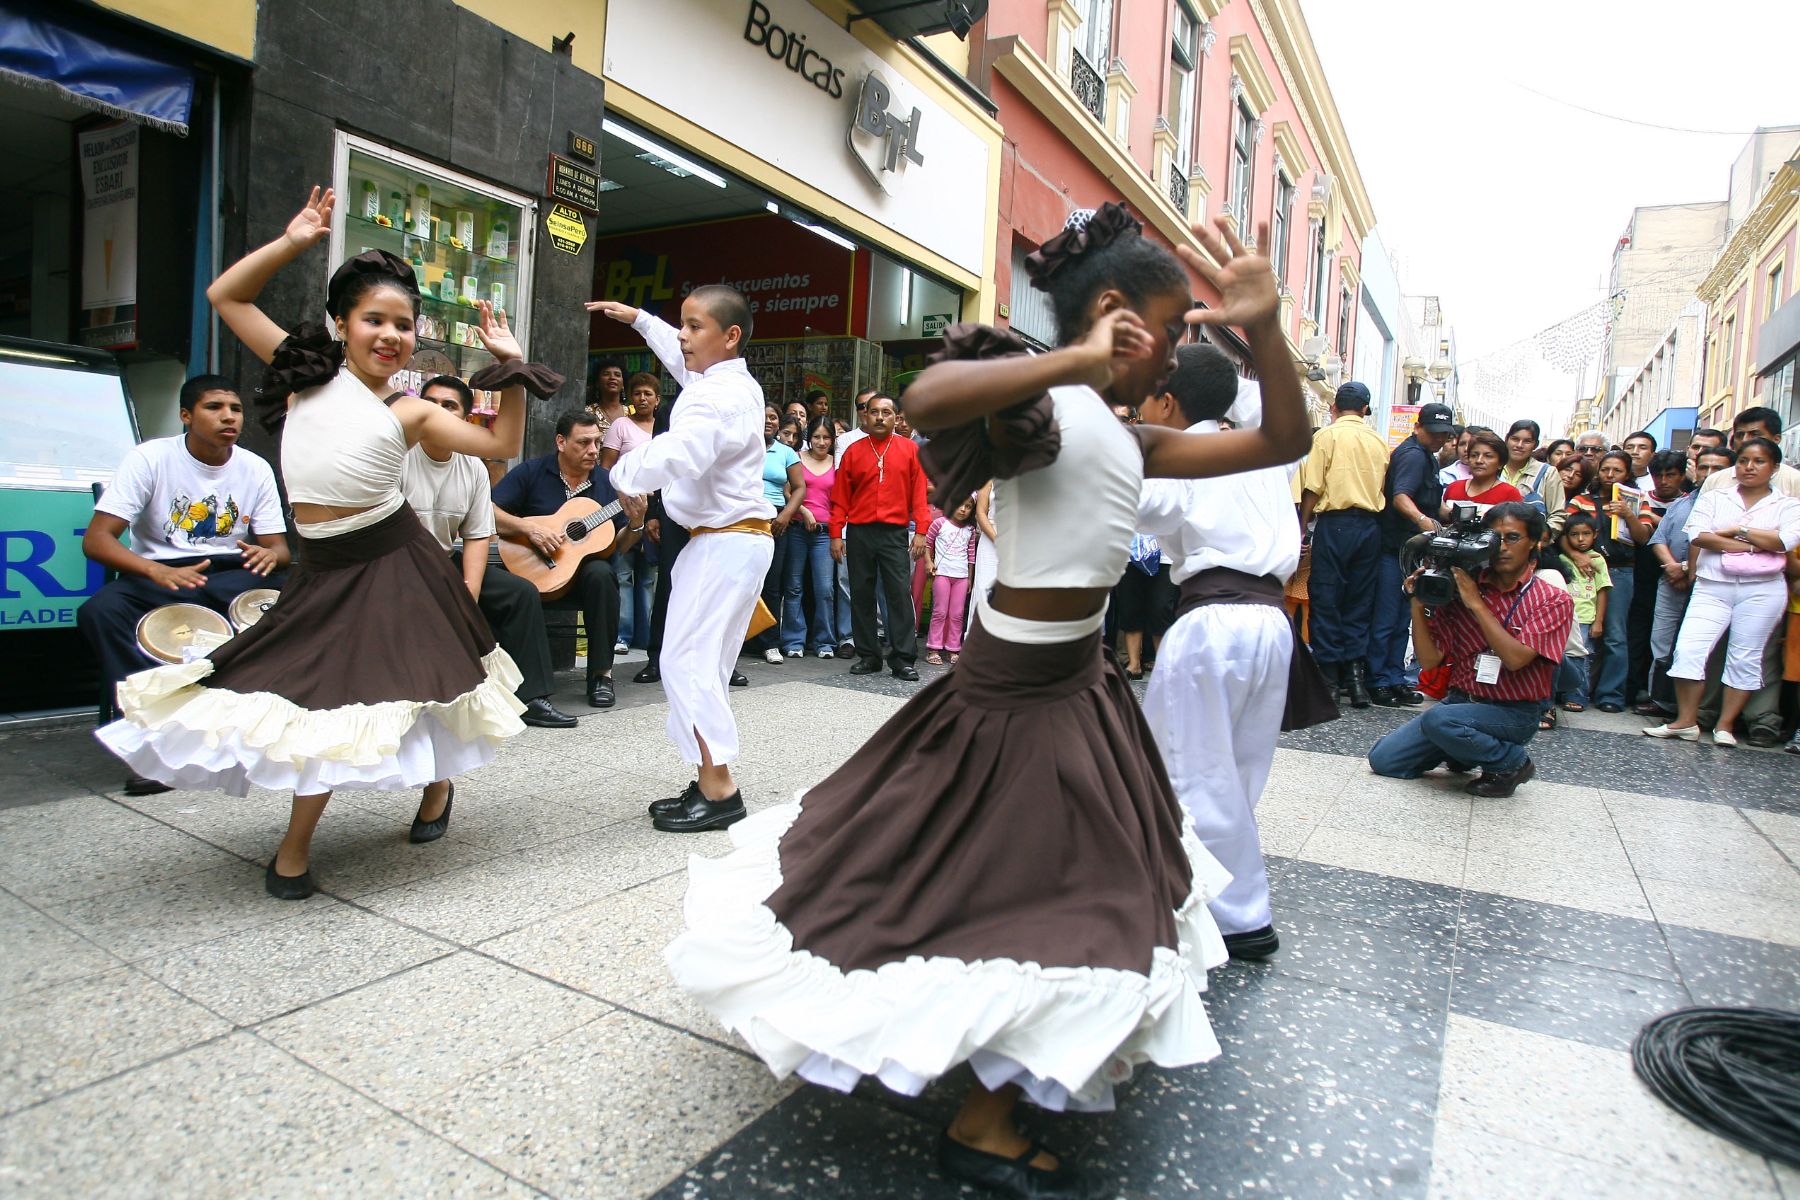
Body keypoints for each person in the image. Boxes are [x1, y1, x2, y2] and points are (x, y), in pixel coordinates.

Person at [665, 206, 1311, 1200]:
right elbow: (928, 394)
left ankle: (1000, 1092)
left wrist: (1264, 332)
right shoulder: (1041, 413)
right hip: (1015, 694)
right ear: (1112, 313)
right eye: (1175, 328)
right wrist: (1072, 361)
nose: (1181, 352)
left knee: (1054, 889)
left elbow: (1282, 438)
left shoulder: (1135, 439)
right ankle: (982, 1121)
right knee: (1009, 887)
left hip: (1076, 689)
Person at [99, 187, 541, 898]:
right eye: (374, 320)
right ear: (342, 322)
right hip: (325, 566)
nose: (390, 335)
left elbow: (503, 442)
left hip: (396, 562)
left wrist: (512, 367)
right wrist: (294, 239)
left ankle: (313, 842)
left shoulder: (413, 409)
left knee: (407, 690)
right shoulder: (307, 374)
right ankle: (391, 806)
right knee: (322, 699)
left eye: (403, 324)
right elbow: (227, 296)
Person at [1136, 345, 1308, 960]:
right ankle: (1210, 894)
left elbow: (1136, 504)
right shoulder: (1259, 448)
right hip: (1270, 622)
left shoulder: (1185, 459)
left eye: (1149, 395)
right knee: (1235, 771)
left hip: (1212, 623)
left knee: (1189, 770)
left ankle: (1237, 915)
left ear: (1168, 402)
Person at [591, 286, 769, 834]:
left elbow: (681, 450)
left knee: (687, 665)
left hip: (724, 540)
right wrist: (642, 320)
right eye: (683, 325)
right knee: (699, 666)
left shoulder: (717, 397)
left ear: (729, 336)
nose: (683, 336)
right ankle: (709, 778)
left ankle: (719, 790)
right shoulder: (724, 380)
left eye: (695, 327)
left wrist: (622, 474)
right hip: (724, 540)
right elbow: (679, 354)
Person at [81, 374, 291, 796]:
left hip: (231, 572)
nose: (228, 417)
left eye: (235, 409)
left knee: (300, 602)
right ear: (185, 416)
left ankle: (267, 727)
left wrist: (272, 555)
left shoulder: (255, 467)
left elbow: (278, 549)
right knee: (100, 611)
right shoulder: (151, 458)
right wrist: (153, 570)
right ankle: (155, 740)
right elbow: (97, 540)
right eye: (214, 407)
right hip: (161, 573)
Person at [399, 375, 578, 731]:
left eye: (449, 406)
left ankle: (531, 697)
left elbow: (478, 536)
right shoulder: (399, 457)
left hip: (444, 558)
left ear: (465, 419)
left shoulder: (473, 468)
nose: (437, 412)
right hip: (397, 561)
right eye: (430, 404)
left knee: (520, 593)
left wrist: (470, 592)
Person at [1369, 502, 1573, 797]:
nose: (1501, 546)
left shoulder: (1551, 599)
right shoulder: (1459, 585)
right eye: (1493, 537)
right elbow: (1429, 661)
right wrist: (1418, 601)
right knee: (1384, 759)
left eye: (1512, 538)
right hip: (1460, 703)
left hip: (1513, 712)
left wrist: (1476, 604)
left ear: (1536, 541)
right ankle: (1463, 750)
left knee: (1439, 720)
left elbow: (1515, 660)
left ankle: (1513, 763)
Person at [1645, 438, 1800, 746]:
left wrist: (1735, 531)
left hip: (1762, 589)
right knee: (1688, 650)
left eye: (1758, 461)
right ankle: (1686, 721)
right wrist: (1758, 544)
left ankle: (1725, 726)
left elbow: (1785, 542)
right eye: (1743, 461)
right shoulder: (1715, 497)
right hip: (1712, 585)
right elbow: (1701, 537)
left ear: (1774, 467)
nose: (1749, 467)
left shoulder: (1788, 504)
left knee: (1745, 657)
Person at [491, 410, 645, 710]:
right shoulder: (531, 472)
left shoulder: (607, 483)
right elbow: (488, 510)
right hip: (533, 573)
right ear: (561, 442)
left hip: (585, 580)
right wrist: (529, 528)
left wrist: (637, 524)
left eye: (597, 442)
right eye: (584, 442)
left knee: (602, 573)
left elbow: (616, 547)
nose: (593, 450)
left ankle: (601, 675)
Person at [1298, 379, 1390, 707]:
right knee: (1359, 601)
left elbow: (1312, 486)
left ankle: (1330, 678)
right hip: (1369, 527)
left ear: (1335, 407)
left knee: (1326, 599)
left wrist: (1302, 527)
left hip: (1335, 526)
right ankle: (1355, 679)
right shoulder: (1379, 442)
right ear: (1365, 409)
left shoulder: (1326, 435)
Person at [832, 393, 930, 681]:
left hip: (894, 532)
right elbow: (840, 497)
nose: (879, 417)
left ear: (896, 417)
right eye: (874, 412)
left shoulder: (910, 450)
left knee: (898, 594)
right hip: (860, 531)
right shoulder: (853, 451)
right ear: (866, 416)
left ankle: (902, 659)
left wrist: (921, 531)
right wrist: (837, 533)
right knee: (861, 594)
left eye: (886, 412)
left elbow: (920, 495)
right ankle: (869, 656)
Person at [1368, 401, 1455, 707]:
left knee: (1402, 617)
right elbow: (1401, 497)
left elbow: (1428, 501)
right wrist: (1422, 520)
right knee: (1388, 617)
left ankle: (1393, 677)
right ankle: (1379, 679)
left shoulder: (1428, 457)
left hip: (1410, 551)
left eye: (1444, 434)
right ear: (1418, 427)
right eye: (1434, 432)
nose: (1439, 438)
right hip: (1396, 549)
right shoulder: (1413, 456)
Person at [1639, 446, 1733, 718]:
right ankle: (1661, 699)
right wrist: (1671, 567)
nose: (1709, 474)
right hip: (1670, 584)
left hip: (1713, 585)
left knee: (1701, 648)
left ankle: (1701, 709)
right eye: (1704, 467)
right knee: (1662, 642)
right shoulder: (1683, 502)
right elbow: (1658, 539)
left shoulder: (1735, 509)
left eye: (1718, 468)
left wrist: (1685, 568)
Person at [1564, 450, 1649, 712]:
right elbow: (1564, 533)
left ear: (1627, 474)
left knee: (1614, 635)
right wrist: (1577, 556)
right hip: (1583, 569)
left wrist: (1628, 514)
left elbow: (1643, 537)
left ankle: (1610, 695)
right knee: (1579, 632)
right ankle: (1574, 690)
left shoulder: (1635, 501)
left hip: (1620, 570)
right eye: (1605, 470)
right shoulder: (1581, 500)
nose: (1610, 475)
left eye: (1617, 471)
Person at [602, 372, 661, 651]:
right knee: (623, 572)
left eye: (648, 394)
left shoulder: (664, 430)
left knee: (648, 575)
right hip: (623, 506)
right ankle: (622, 635)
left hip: (656, 508)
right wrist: (620, 498)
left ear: (657, 399)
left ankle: (645, 636)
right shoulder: (621, 425)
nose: (642, 398)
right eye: (637, 393)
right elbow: (606, 468)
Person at [751, 402, 805, 664]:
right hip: (745, 518)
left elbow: (799, 487)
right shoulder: (743, 447)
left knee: (771, 584)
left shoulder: (786, 452)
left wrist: (786, 514)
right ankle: (739, 640)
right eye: (764, 417)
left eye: (773, 417)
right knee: (741, 581)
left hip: (776, 520)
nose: (769, 421)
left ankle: (770, 642)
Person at [785, 417, 840, 658]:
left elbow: (840, 500)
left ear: (832, 440)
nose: (821, 442)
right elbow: (788, 490)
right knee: (794, 587)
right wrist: (803, 511)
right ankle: (793, 640)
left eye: (826, 437)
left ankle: (824, 641)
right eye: (816, 437)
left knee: (824, 589)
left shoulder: (837, 463)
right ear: (809, 438)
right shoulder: (797, 457)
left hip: (825, 533)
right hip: (797, 529)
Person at [1555, 513, 1610, 714]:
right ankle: (1556, 692)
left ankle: (1578, 695)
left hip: (1586, 618)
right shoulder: (1561, 559)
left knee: (1583, 657)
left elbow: (1602, 590)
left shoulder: (1597, 560)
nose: (1580, 539)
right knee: (1560, 655)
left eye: (1586, 534)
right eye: (1574, 534)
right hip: (1563, 617)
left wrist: (1599, 621)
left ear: (1595, 534)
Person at [923, 494, 977, 665]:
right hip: (942, 575)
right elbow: (927, 543)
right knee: (940, 612)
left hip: (961, 577)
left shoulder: (970, 530)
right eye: (960, 504)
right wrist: (929, 562)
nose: (963, 509)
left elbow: (971, 556)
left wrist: (969, 577)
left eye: (968, 507)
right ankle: (934, 648)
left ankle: (953, 648)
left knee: (957, 614)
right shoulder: (939, 523)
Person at [1699, 408, 1800, 498]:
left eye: (1754, 434)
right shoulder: (1715, 480)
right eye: (1740, 435)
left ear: (1776, 439)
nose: (1745, 440)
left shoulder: (1795, 480)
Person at [1502, 419, 1566, 528]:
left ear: (1535, 445)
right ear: (1507, 439)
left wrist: (1542, 536)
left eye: (1527, 441)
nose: (1519, 445)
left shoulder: (1547, 473)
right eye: (1515, 439)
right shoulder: (1493, 468)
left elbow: (1557, 514)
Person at [1441, 430, 1522, 515]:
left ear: (1500, 463)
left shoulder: (1510, 494)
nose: (1479, 461)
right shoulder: (1454, 488)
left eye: (1488, 456)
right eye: (1474, 455)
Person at [587, 356, 627, 433]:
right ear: (597, 382)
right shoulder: (587, 413)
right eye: (606, 374)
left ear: (623, 384)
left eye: (617, 375)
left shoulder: (633, 413)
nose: (612, 377)